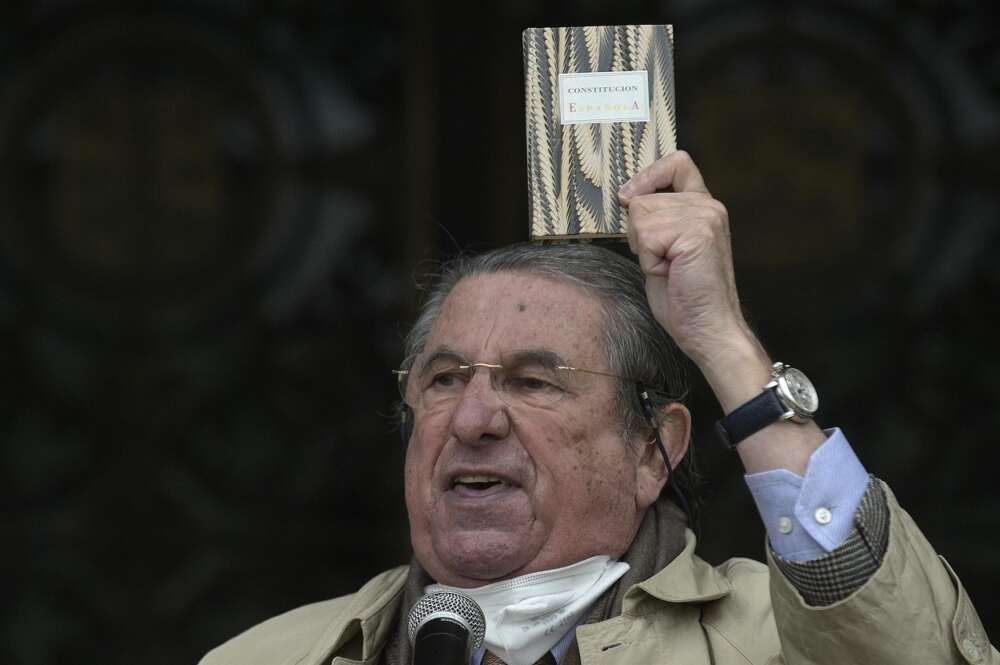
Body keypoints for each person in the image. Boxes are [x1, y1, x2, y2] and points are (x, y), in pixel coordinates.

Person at [200, 152, 995, 665]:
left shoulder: (772, 644)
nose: (473, 419)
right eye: (444, 380)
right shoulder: (269, 656)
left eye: (534, 381)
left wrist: (720, 339)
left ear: (655, 449)